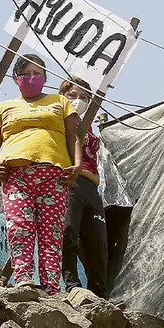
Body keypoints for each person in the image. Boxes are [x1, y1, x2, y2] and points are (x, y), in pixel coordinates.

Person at [0, 54, 82, 292]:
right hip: (16, 175)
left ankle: (51, 286)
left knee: (52, 232)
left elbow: (73, 137)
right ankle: (24, 279)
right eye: (26, 74)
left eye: (37, 74)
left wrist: (77, 164)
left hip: (54, 176)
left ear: (46, 78)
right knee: (19, 228)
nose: (32, 78)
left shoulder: (60, 102)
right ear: (16, 79)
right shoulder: (3, 107)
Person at [60, 76, 108, 298]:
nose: (78, 101)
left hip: (92, 187)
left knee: (97, 243)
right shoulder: (59, 122)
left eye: (84, 97)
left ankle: (98, 294)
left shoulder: (89, 129)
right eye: (72, 96)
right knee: (68, 234)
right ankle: (73, 286)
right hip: (70, 183)